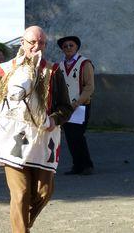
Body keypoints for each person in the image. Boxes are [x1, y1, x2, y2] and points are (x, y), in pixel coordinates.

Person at [0, 26, 73, 233]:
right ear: (22, 43)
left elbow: (66, 108)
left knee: (44, 192)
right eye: (32, 42)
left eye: (41, 43)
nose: (36, 47)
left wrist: (53, 120)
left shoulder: (53, 72)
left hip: (43, 139)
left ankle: (22, 223)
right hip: (14, 139)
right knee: (21, 192)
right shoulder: (8, 69)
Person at [56, 36, 95, 175]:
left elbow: (89, 87)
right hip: (65, 107)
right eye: (65, 46)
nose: (68, 48)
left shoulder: (85, 64)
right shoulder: (60, 66)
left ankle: (87, 165)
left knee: (78, 135)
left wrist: (78, 102)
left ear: (76, 47)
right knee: (69, 136)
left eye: (71, 45)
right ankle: (77, 165)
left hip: (80, 106)